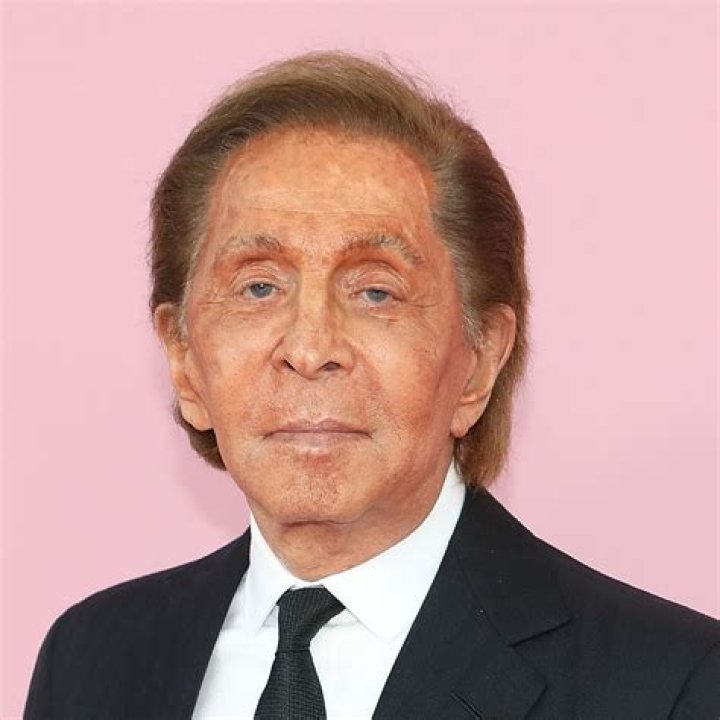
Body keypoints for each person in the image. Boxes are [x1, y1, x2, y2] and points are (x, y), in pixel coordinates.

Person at [24, 51, 719, 720]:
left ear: (479, 360)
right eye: (259, 287)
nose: (310, 349)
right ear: (183, 361)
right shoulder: (92, 660)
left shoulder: (672, 687)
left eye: (376, 292)